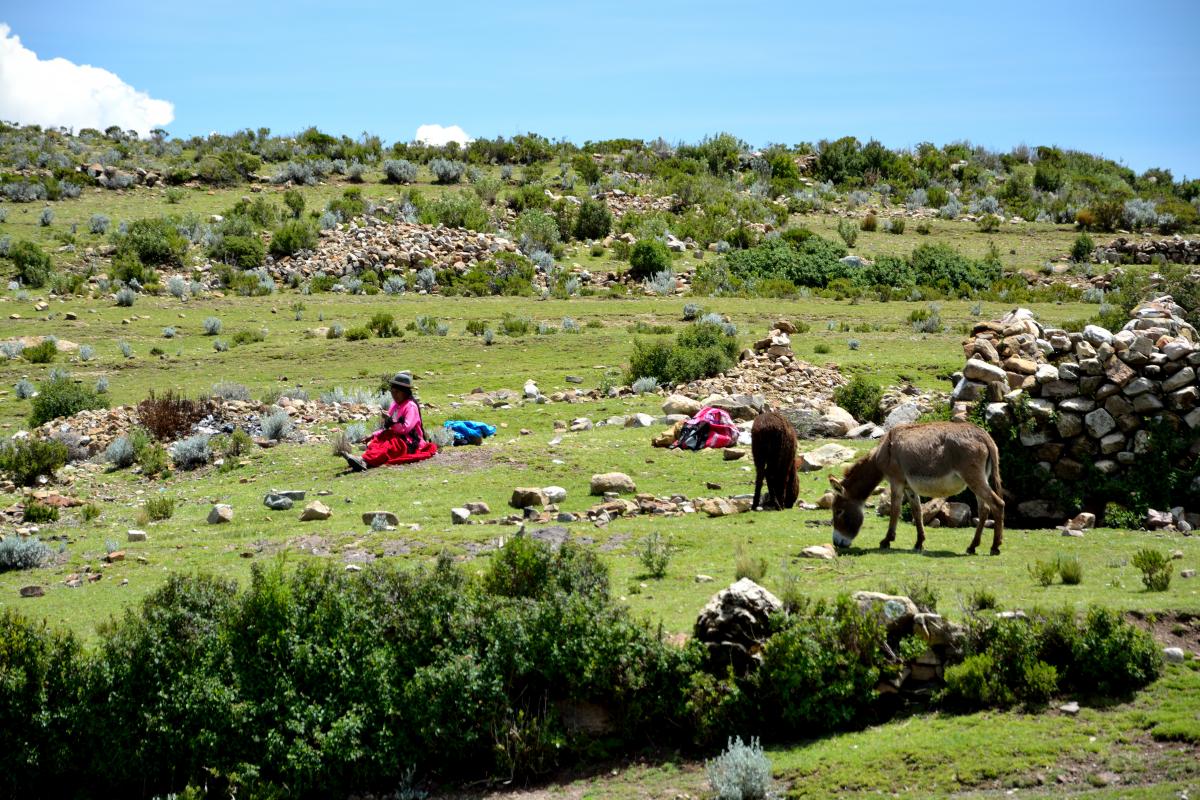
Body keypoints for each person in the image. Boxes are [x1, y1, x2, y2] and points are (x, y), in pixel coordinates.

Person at [342, 372, 437, 471]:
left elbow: (405, 428)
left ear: (405, 392)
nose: (394, 395)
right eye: (392, 392)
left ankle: (364, 461)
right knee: (378, 441)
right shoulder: (395, 405)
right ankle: (364, 460)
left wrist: (391, 422)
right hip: (397, 437)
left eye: (397, 392)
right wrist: (374, 434)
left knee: (389, 444)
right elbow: (388, 427)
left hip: (410, 442)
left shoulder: (410, 406)